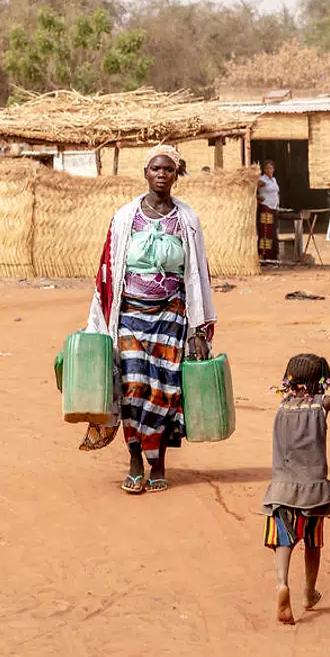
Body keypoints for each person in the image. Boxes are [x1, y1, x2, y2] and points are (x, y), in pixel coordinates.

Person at [82, 144, 217, 494]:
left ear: (176, 175)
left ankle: (158, 462)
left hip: (171, 318)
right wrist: (98, 326)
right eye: (155, 169)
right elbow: (108, 271)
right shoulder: (125, 217)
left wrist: (198, 328)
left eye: (168, 170)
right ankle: (134, 459)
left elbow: (198, 275)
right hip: (130, 316)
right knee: (133, 388)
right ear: (145, 173)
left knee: (165, 390)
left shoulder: (186, 220)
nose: (161, 174)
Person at [263, 353, 330, 625]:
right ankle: (308, 592)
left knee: (284, 540)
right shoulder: (320, 405)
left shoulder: (282, 407)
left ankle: (282, 583)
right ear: (321, 382)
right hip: (313, 492)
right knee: (312, 543)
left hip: (281, 490)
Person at [256, 160, 280, 261]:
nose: (269, 170)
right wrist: (257, 197)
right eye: (267, 168)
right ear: (264, 170)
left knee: (273, 232)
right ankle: (264, 255)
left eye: (270, 168)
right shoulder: (262, 180)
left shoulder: (273, 180)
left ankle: (273, 255)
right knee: (266, 232)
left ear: (273, 169)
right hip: (266, 207)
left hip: (273, 207)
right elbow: (252, 188)